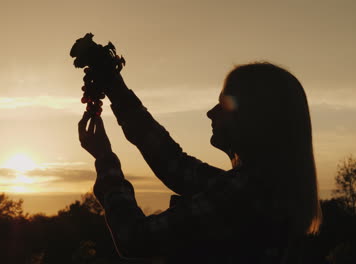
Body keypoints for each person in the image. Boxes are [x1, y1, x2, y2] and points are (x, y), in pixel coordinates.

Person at [78, 62, 322, 264]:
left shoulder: (242, 193)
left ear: (256, 117)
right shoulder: (259, 186)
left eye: (224, 103)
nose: (211, 113)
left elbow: (134, 237)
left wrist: (105, 159)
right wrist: (117, 90)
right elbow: (175, 165)